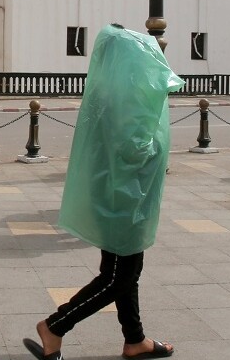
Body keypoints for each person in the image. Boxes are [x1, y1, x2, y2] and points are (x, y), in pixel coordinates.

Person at [24, 24, 181, 360]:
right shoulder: (129, 98)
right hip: (126, 199)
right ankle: (55, 326)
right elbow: (134, 149)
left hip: (110, 193)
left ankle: (135, 339)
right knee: (118, 278)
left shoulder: (105, 90)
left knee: (123, 271)